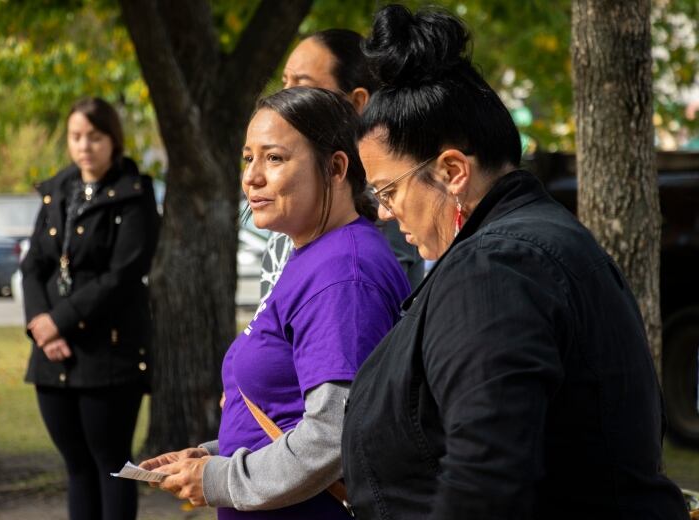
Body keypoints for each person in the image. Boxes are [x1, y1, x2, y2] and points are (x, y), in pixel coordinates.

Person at [341, 5, 690, 519]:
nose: (387, 213)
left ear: (453, 170)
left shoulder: (497, 267)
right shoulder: (529, 243)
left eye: (388, 190)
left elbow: (487, 481)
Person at [139, 87, 410, 519]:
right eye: (248, 158)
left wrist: (219, 478)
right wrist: (211, 455)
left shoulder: (343, 272)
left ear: (337, 167)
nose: (252, 177)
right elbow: (288, 413)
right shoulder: (315, 256)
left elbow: (331, 434)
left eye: (275, 158)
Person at [21, 97, 160, 520]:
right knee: (76, 467)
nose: (84, 147)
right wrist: (41, 328)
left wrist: (58, 322)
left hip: (109, 355)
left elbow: (121, 276)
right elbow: (33, 266)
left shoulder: (134, 196)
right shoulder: (57, 193)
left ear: (113, 140)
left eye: (94, 137)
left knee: (111, 465)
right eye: (76, 137)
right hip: (53, 355)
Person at [260, 29, 423, 302]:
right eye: (285, 82)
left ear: (357, 102)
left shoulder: (387, 195)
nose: (285, 98)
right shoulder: (290, 197)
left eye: (302, 84)